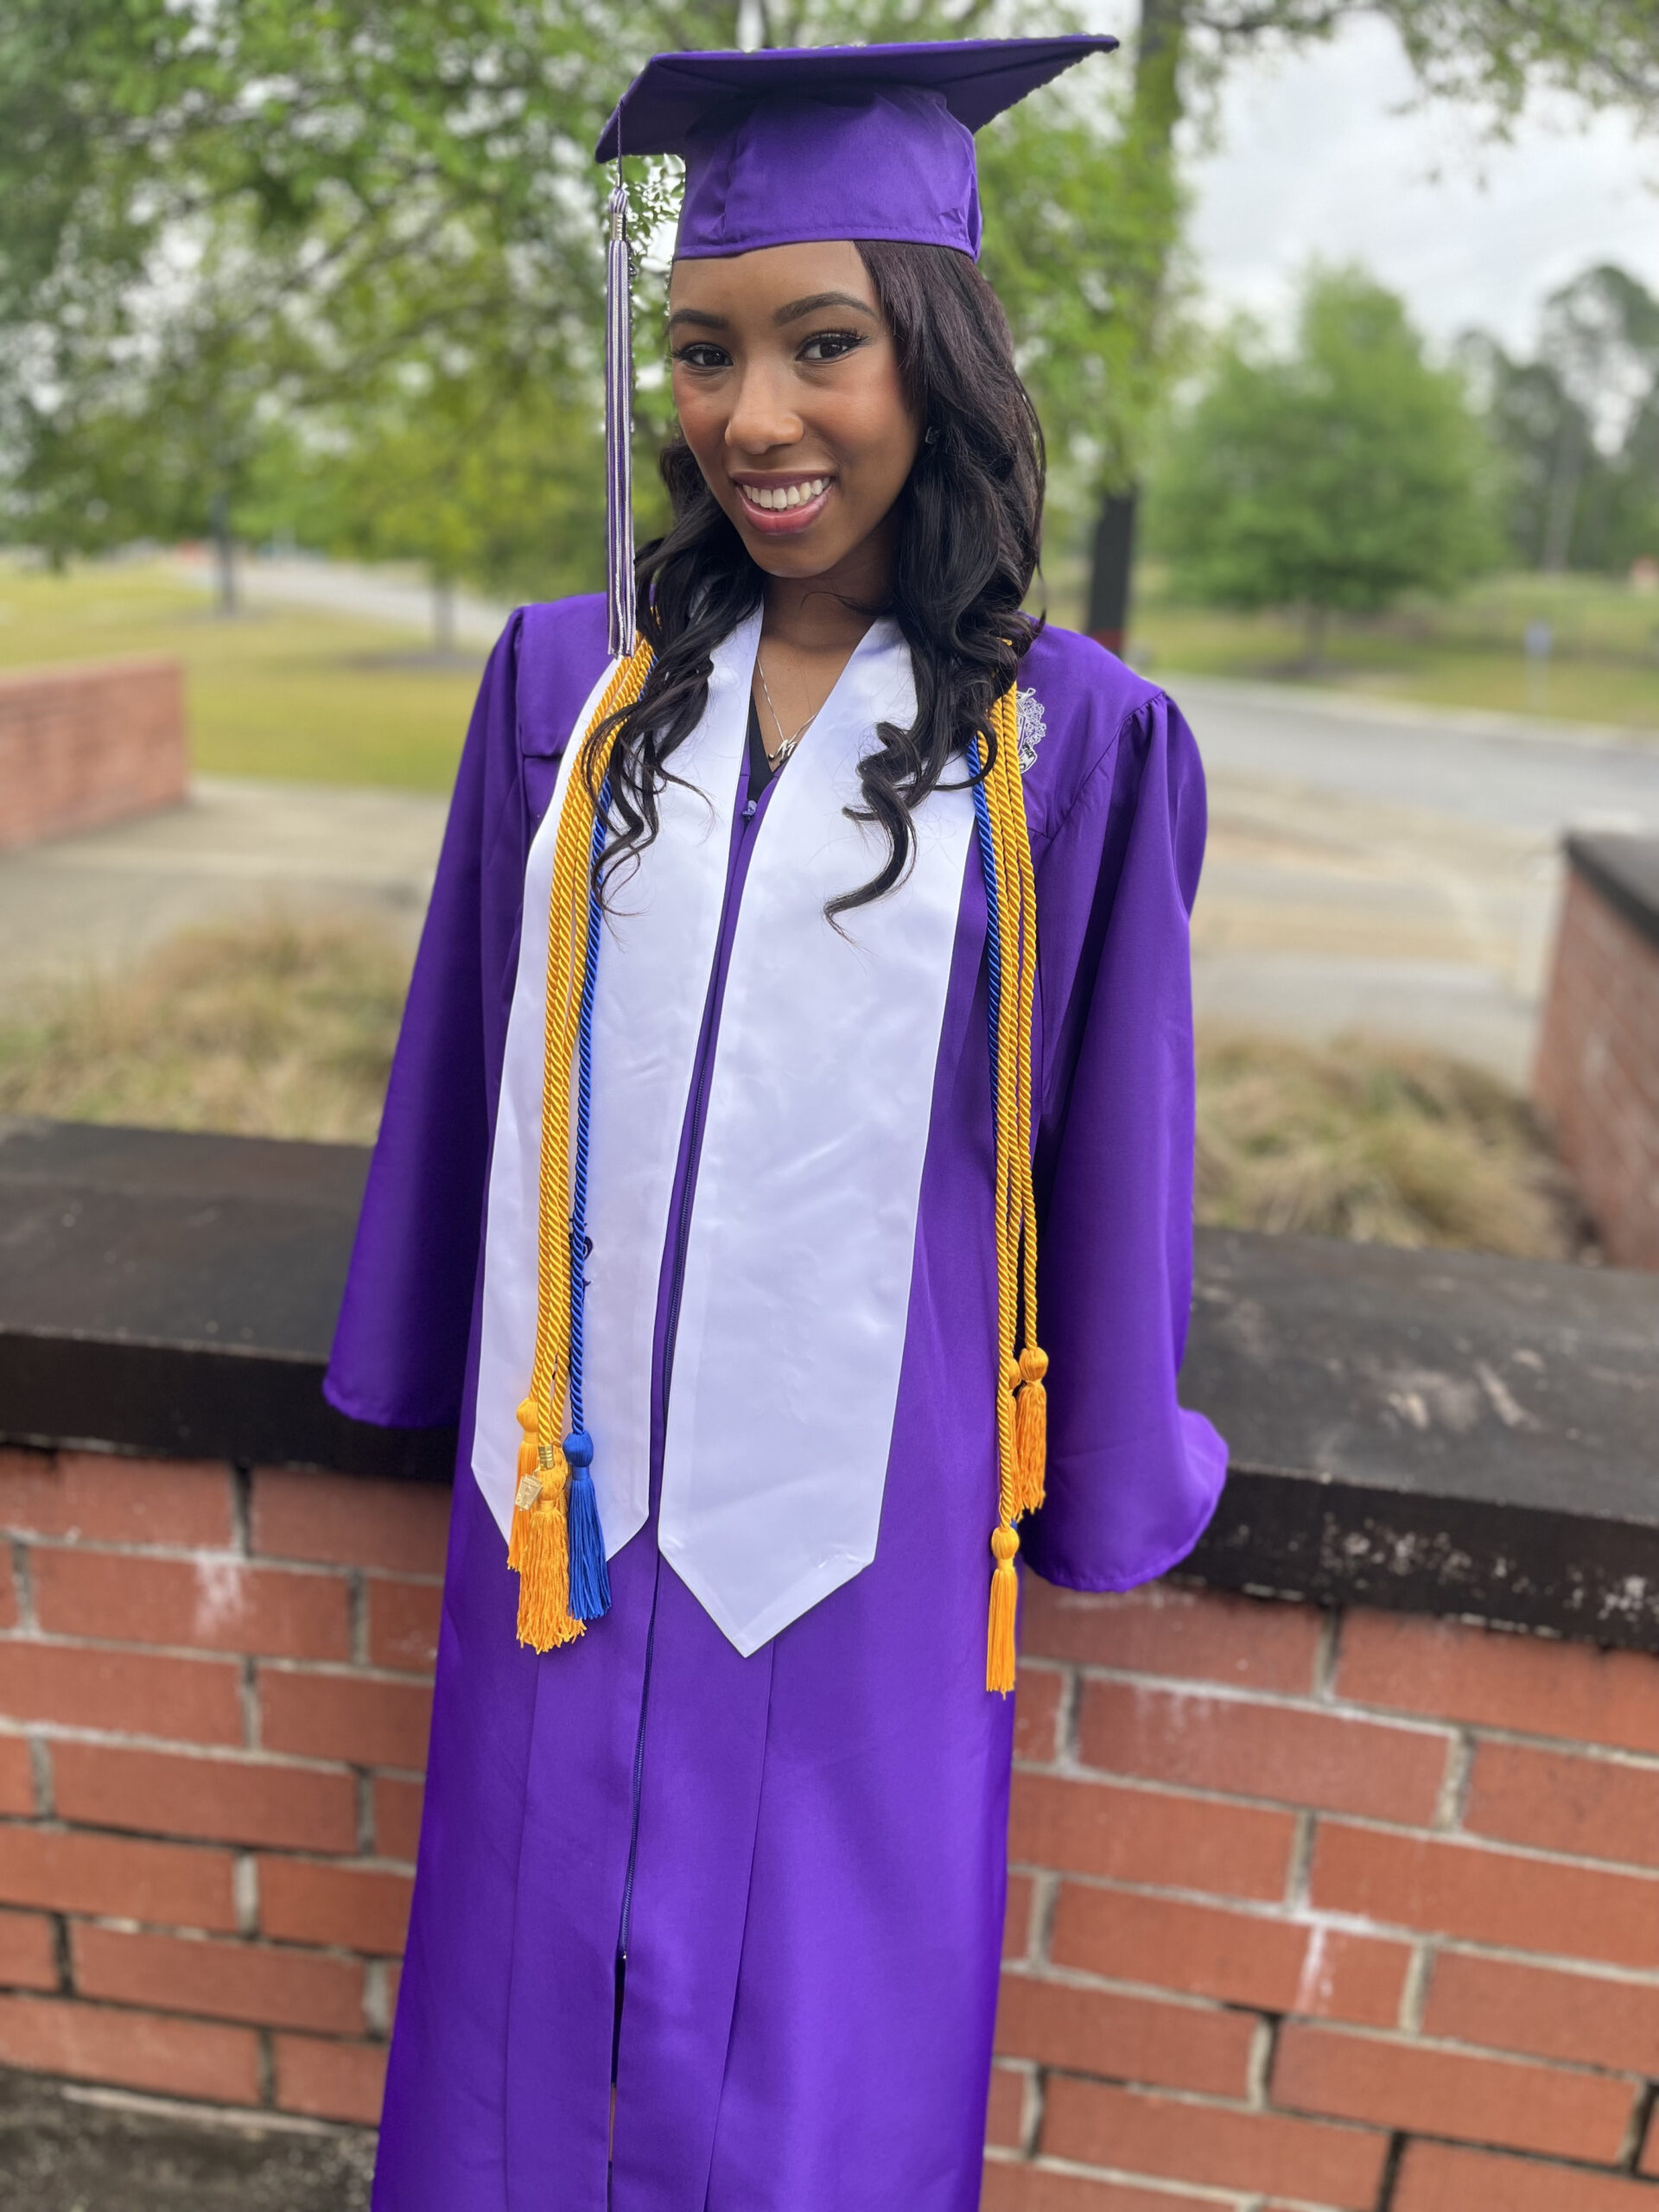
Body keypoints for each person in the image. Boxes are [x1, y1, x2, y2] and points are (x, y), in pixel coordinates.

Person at [326, 36, 1227, 2212]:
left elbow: (1115, 1158)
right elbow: (467, 1057)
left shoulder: (1075, 742)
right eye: (711, 351)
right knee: (516, 2064)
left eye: (824, 344)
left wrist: (1097, 1470)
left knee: (819, 2073)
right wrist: (415, 1364)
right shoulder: (571, 688)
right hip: (567, 1520)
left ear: (936, 358)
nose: (754, 417)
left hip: (869, 1560)